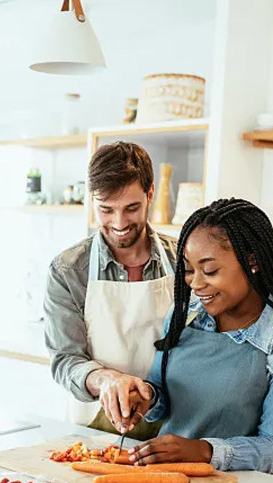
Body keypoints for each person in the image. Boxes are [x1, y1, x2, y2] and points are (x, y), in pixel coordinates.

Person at [118, 198, 273, 473]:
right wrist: (145, 398)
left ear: (252, 261)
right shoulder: (185, 315)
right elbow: (161, 396)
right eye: (189, 270)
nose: (196, 284)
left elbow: (272, 447)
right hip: (163, 478)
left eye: (210, 271)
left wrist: (203, 450)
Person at [44, 142, 176, 438]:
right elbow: (66, 360)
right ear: (92, 201)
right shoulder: (67, 271)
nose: (119, 223)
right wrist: (105, 380)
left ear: (150, 194)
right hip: (94, 429)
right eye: (106, 210)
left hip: (173, 428)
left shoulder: (182, 261)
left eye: (131, 208)